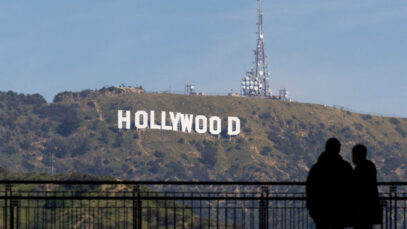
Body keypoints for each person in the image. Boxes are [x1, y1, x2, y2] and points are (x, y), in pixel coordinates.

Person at [306, 138, 354, 229]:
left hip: (321, 211)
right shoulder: (345, 167)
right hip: (340, 211)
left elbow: (310, 189)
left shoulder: (317, 168)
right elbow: (352, 188)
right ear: (339, 150)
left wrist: (312, 209)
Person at [352, 144, 382, 229]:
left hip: (361, 210)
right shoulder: (370, 167)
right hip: (371, 208)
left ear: (355, 156)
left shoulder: (358, 170)